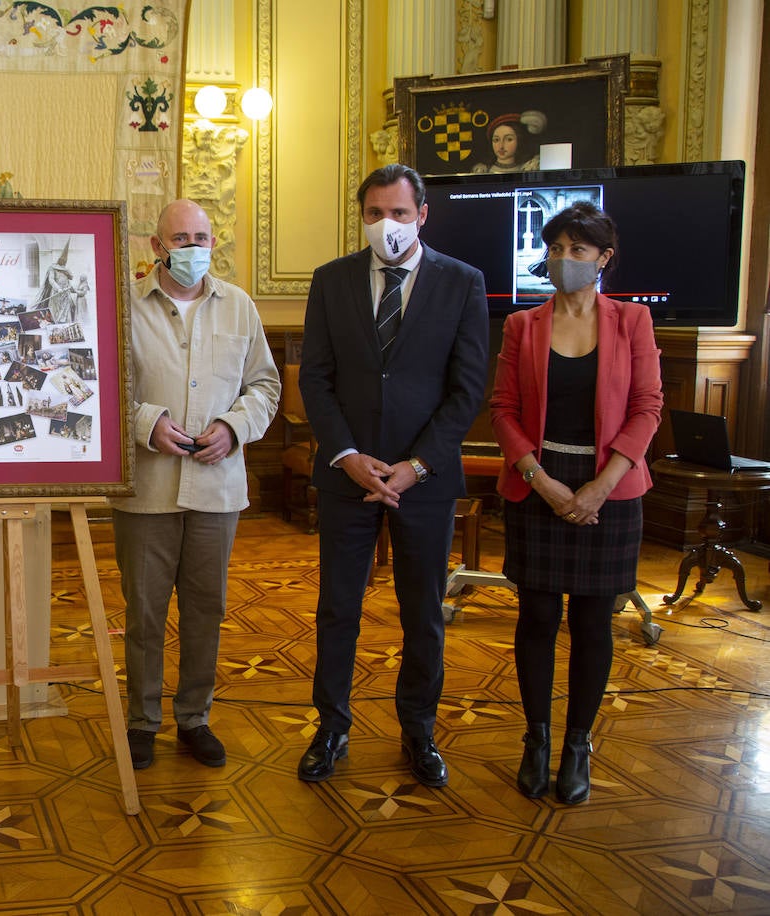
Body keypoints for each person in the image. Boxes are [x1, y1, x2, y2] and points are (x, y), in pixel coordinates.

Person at [297, 164, 489, 787]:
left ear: (423, 214)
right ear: (363, 217)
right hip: (347, 474)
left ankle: (418, 729)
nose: (388, 226)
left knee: (421, 611)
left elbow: (467, 390)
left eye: (400, 214)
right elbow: (315, 379)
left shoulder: (463, 283)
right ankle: (332, 726)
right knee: (337, 609)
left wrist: (418, 464)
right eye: (376, 214)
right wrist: (347, 455)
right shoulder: (331, 281)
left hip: (424, 480)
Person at [489, 202, 662, 804]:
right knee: (537, 619)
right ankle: (536, 738)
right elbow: (504, 411)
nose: (564, 260)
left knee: (592, 623)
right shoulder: (522, 325)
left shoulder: (632, 323)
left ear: (603, 259)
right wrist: (542, 480)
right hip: (539, 483)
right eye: (556, 249)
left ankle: (577, 745)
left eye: (578, 251)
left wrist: (600, 486)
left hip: (609, 485)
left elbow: (647, 408)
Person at [112, 199, 280, 770]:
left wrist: (233, 429)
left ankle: (194, 717)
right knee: (146, 611)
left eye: (201, 237)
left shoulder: (239, 307)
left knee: (206, 608)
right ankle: (142, 720)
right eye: (180, 238)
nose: (192, 248)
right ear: (156, 246)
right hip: (147, 492)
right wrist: (145, 424)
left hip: (218, 486)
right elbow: (97, 387)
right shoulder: (124, 307)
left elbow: (265, 386)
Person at [471, 111, 544, 174]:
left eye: (509, 139)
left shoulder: (529, 168)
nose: (501, 146)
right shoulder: (482, 170)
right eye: (496, 140)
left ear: (519, 140)